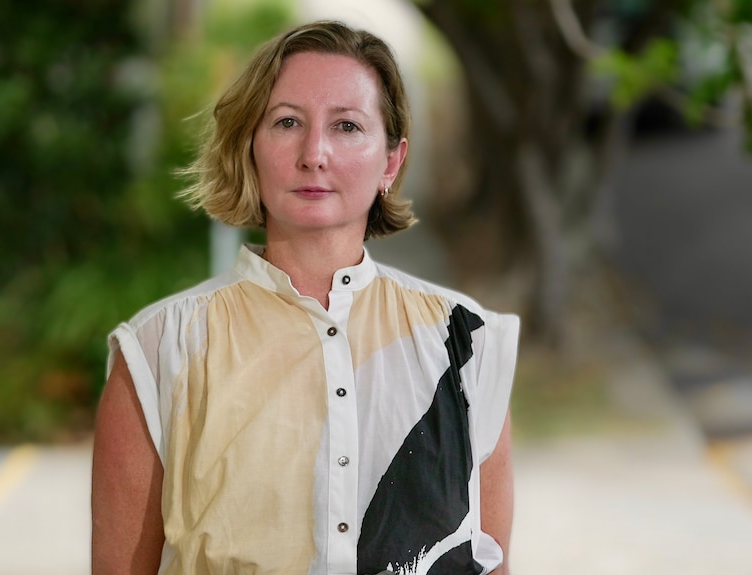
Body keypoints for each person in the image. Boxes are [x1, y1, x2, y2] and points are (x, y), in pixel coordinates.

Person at [91, 20, 519, 575]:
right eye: (288, 122)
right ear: (249, 148)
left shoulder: (467, 343)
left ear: (391, 161)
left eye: (346, 126)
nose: (314, 153)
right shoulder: (158, 352)